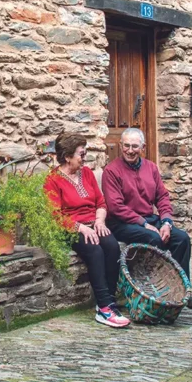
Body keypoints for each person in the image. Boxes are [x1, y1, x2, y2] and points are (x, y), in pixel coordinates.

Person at [101, 127, 192, 310]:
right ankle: (154, 292)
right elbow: (116, 207)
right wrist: (144, 224)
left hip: (148, 218)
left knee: (182, 239)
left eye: (135, 146)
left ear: (143, 147)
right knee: (153, 238)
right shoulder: (112, 171)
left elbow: (162, 197)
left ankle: (181, 290)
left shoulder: (151, 168)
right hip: (122, 223)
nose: (130, 150)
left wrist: (167, 222)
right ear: (121, 146)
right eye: (126, 146)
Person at [43, 133, 131, 328]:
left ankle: (108, 302)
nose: (84, 158)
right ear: (67, 157)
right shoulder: (53, 180)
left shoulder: (87, 173)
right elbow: (56, 216)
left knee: (112, 247)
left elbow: (100, 201)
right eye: (81, 154)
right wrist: (81, 228)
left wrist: (100, 221)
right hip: (72, 228)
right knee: (95, 250)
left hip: (94, 223)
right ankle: (104, 308)